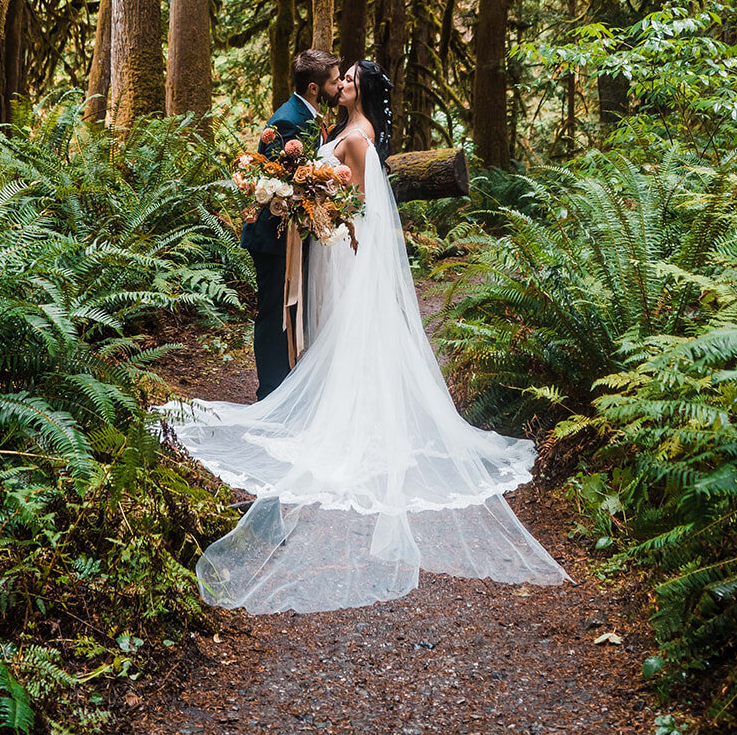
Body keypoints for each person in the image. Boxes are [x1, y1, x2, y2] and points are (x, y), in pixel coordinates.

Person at [165, 58, 568, 614]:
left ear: (361, 91)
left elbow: (348, 199)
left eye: (350, 79)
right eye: (340, 77)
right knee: (335, 333)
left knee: (342, 334)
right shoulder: (346, 130)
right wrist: (296, 190)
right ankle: (337, 404)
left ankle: (345, 416)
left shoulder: (355, 137)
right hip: (332, 246)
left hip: (338, 247)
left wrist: (299, 196)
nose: (343, 83)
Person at [240, 47, 341, 400]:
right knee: (274, 315)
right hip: (275, 236)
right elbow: (276, 183)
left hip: (295, 235)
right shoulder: (288, 120)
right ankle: (269, 393)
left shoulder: (311, 116)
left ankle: (288, 389)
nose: (339, 86)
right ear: (314, 88)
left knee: (292, 313)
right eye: (334, 81)